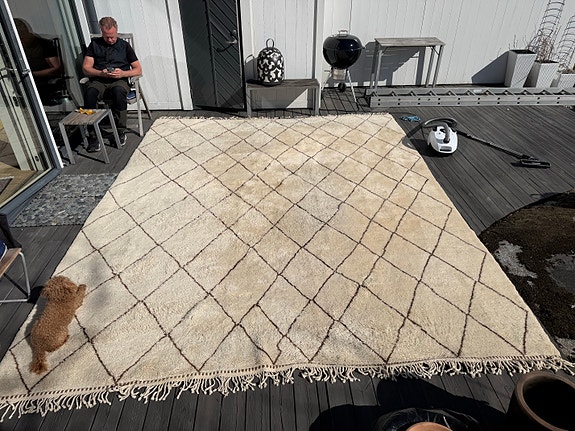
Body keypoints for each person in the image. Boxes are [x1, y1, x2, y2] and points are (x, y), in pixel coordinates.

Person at [82, 17, 142, 152]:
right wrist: (100, 73)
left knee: (118, 91)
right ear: (102, 33)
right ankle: (93, 134)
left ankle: (120, 130)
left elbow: (138, 69)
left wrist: (122, 73)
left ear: (117, 32)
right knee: (90, 93)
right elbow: (86, 68)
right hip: (100, 79)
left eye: (112, 37)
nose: (110, 40)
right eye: (107, 37)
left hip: (119, 80)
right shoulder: (94, 45)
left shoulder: (124, 46)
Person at [14, 18, 63, 104]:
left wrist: (32, 74)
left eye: (21, 38)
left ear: (27, 33)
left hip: (43, 82)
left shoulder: (44, 44)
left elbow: (56, 69)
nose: (21, 41)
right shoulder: (15, 47)